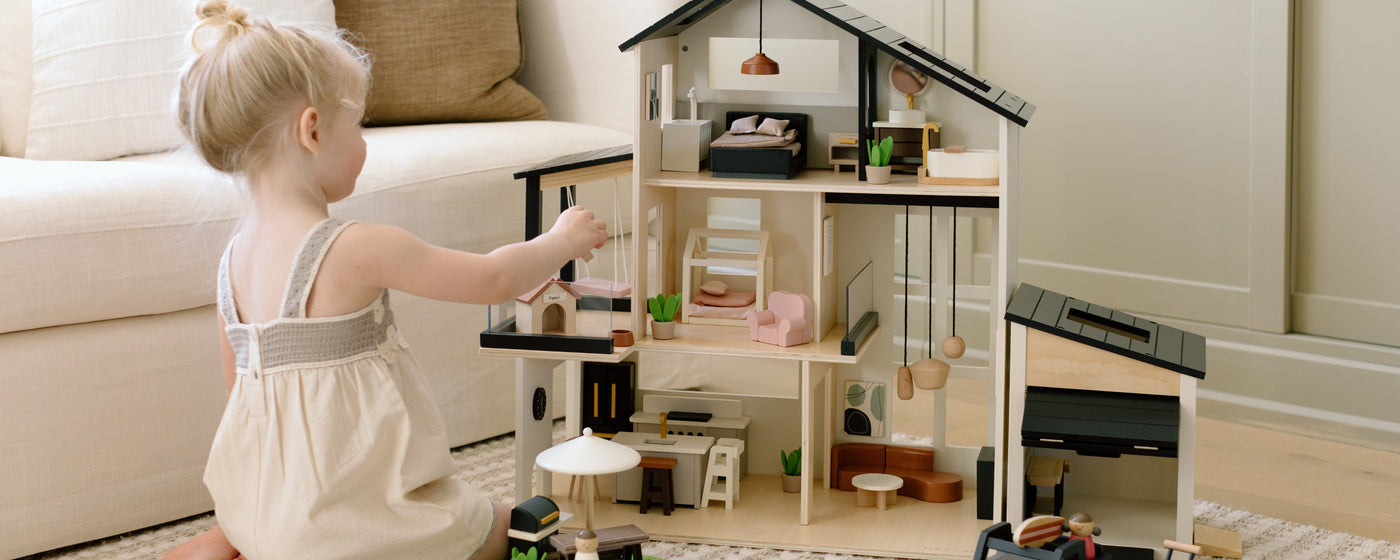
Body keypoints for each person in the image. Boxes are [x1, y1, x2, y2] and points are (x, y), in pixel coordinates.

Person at [161, 2, 606, 559]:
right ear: (313, 130)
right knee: (497, 524)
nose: (365, 142)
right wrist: (561, 241)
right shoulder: (355, 246)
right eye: (358, 124)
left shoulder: (232, 263)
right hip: (360, 526)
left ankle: (240, 543)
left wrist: (242, 522)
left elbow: (242, 409)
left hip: (271, 520)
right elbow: (493, 279)